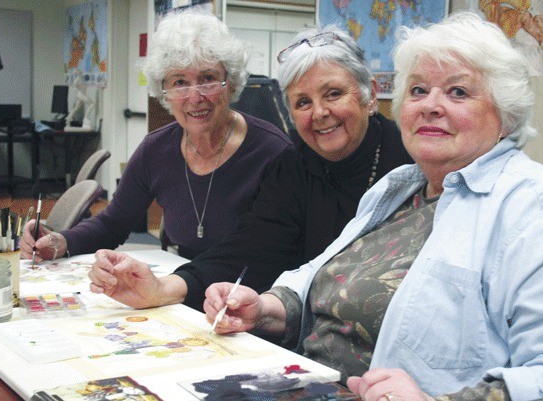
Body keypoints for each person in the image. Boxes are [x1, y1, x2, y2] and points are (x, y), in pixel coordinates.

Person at [203, 13, 543, 401]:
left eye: (458, 91)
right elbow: (320, 278)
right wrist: (265, 309)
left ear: (506, 115)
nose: (430, 105)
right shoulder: (401, 189)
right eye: (419, 90)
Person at [87, 26, 413, 311]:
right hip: (309, 328)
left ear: (369, 96)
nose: (319, 112)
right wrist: (161, 289)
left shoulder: (413, 159)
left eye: (334, 94)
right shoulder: (294, 164)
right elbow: (251, 248)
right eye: (302, 102)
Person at [19, 9, 292, 261]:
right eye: (180, 82)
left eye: (208, 78)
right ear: (164, 92)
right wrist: (59, 241)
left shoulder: (272, 152)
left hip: (248, 297)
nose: (194, 97)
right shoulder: (156, 149)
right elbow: (112, 223)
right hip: (180, 293)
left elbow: (273, 253)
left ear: (230, 83)